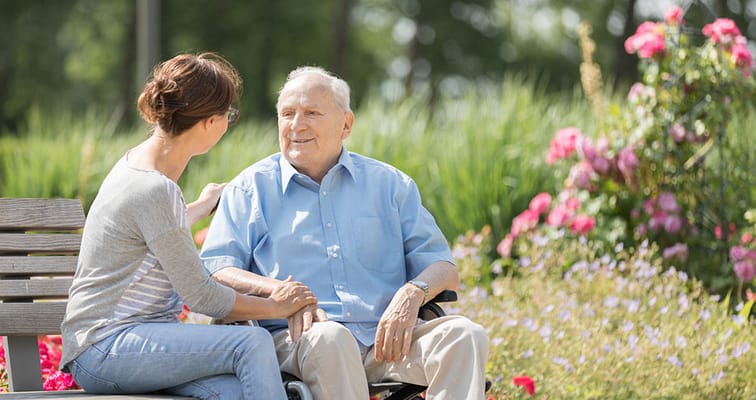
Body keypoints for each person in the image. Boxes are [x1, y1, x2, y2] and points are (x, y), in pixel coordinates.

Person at [200, 66, 489, 399]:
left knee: (464, 335)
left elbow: (444, 269)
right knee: (331, 338)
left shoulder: (390, 185)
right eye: (287, 114)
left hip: (386, 340)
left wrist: (412, 294)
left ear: (346, 124)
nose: (296, 125)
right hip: (302, 339)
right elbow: (216, 270)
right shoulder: (250, 189)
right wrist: (283, 293)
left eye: (311, 113)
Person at [59, 52, 317, 400]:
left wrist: (200, 205)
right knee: (251, 342)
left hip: (124, 342)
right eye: (229, 115)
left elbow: (151, 230)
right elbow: (202, 296)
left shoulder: (137, 164)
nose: (229, 122)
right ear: (210, 122)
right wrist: (277, 306)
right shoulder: (154, 189)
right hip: (106, 346)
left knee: (237, 392)